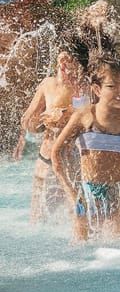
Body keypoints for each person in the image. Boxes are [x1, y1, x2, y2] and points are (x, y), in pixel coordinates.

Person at [51, 56, 120, 240]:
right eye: (112, 86)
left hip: (118, 192)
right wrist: (71, 193)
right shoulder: (85, 116)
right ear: (97, 89)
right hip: (86, 193)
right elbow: (56, 153)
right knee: (81, 247)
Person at [18, 39, 91, 223]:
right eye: (61, 65)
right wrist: (43, 121)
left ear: (79, 64)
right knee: (38, 219)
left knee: (77, 215)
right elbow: (27, 121)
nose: (64, 71)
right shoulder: (48, 84)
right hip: (48, 160)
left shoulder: (88, 86)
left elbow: (100, 115)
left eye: (69, 65)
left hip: (77, 161)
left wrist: (69, 113)